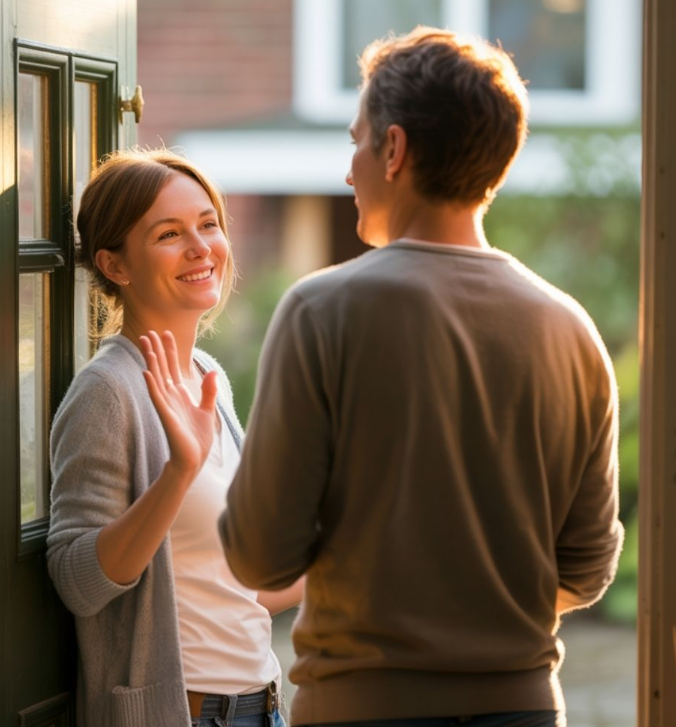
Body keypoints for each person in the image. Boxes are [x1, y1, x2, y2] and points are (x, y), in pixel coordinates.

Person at [218, 28, 624, 727]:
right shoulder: (572, 329)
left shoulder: (322, 310)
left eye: (357, 141)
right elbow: (585, 570)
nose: (350, 170)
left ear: (395, 149)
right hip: (524, 708)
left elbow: (261, 557)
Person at [47, 148, 300, 727]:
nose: (200, 247)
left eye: (208, 224)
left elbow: (237, 586)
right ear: (115, 266)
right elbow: (77, 582)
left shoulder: (209, 377)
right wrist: (177, 474)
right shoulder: (108, 391)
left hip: (259, 704)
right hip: (182, 712)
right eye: (169, 233)